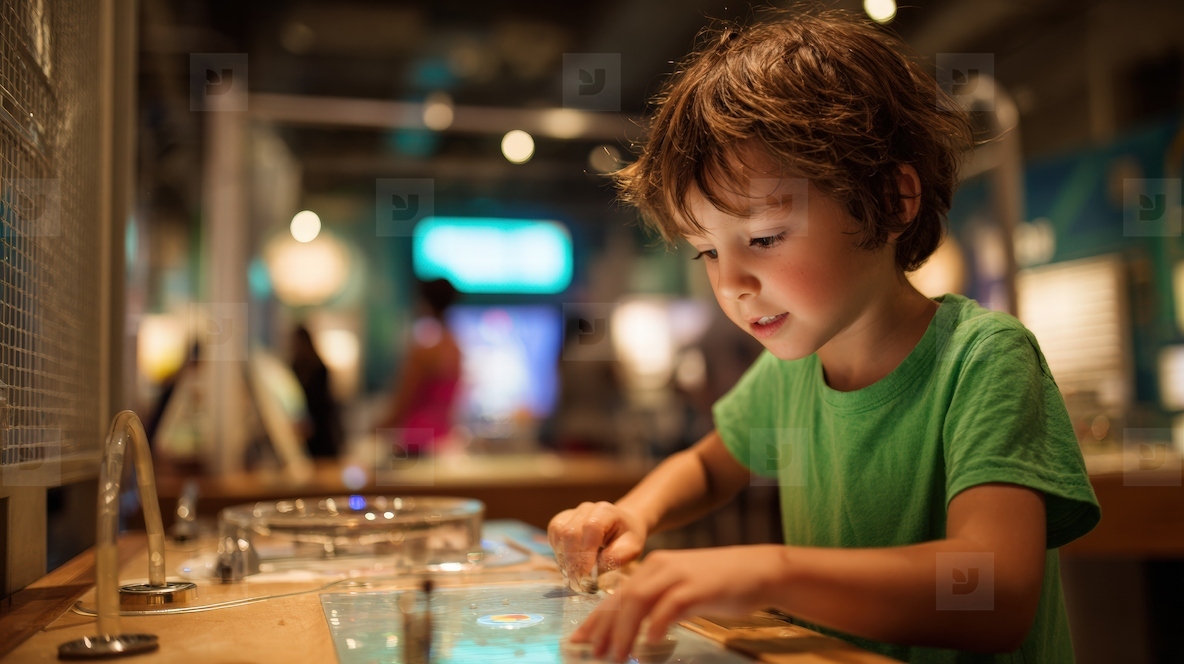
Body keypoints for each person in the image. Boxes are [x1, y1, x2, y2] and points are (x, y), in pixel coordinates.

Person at [548, 9, 1100, 663]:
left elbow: (992, 591)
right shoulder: (792, 371)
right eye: (707, 253)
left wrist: (769, 572)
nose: (732, 285)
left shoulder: (982, 359)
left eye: (763, 239)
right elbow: (706, 465)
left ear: (894, 201)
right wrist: (635, 515)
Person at [377, 278, 462, 457]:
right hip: (444, 441)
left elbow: (403, 404)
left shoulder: (423, 352)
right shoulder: (455, 348)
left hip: (415, 445)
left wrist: (372, 429)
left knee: (394, 483)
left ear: (424, 302)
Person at [290, 325, 344, 459]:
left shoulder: (319, 368)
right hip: (306, 426)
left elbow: (322, 401)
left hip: (321, 426)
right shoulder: (295, 366)